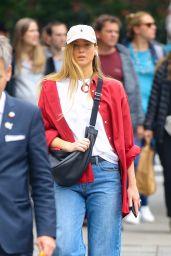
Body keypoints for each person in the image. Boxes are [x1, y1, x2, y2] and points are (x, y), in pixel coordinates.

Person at [38, 24, 140, 256]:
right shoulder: (50, 87)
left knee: (104, 250)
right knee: (64, 247)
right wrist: (67, 145)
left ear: (95, 49)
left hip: (106, 175)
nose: (81, 51)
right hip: (67, 175)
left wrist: (132, 186)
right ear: (67, 50)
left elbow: (126, 143)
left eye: (86, 46)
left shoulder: (114, 88)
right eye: (75, 46)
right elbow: (41, 132)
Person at [0, 35, 56, 256]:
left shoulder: (27, 114)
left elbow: (41, 179)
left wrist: (46, 231)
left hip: (13, 231)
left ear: (8, 73)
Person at [124, 11, 164, 223]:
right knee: (135, 159)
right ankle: (134, 203)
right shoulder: (125, 51)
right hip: (132, 112)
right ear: (137, 28)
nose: (153, 27)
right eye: (149, 24)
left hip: (155, 112)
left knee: (148, 158)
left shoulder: (158, 50)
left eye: (154, 24)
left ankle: (145, 202)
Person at [94, 14, 144, 140]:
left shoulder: (124, 55)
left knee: (131, 158)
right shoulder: (90, 56)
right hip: (96, 120)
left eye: (116, 32)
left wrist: (139, 122)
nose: (113, 35)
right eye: (109, 31)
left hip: (124, 119)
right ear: (98, 33)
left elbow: (135, 89)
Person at [144, 53, 171, 230]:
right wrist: (148, 125)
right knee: (169, 174)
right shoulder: (164, 67)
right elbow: (154, 99)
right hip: (166, 130)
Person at [6, 18, 46, 104]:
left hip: (42, 110)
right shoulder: (12, 58)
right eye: (31, 31)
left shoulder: (45, 56)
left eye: (36, 30)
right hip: (20, 109)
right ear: (21, 34)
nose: (36, 34)